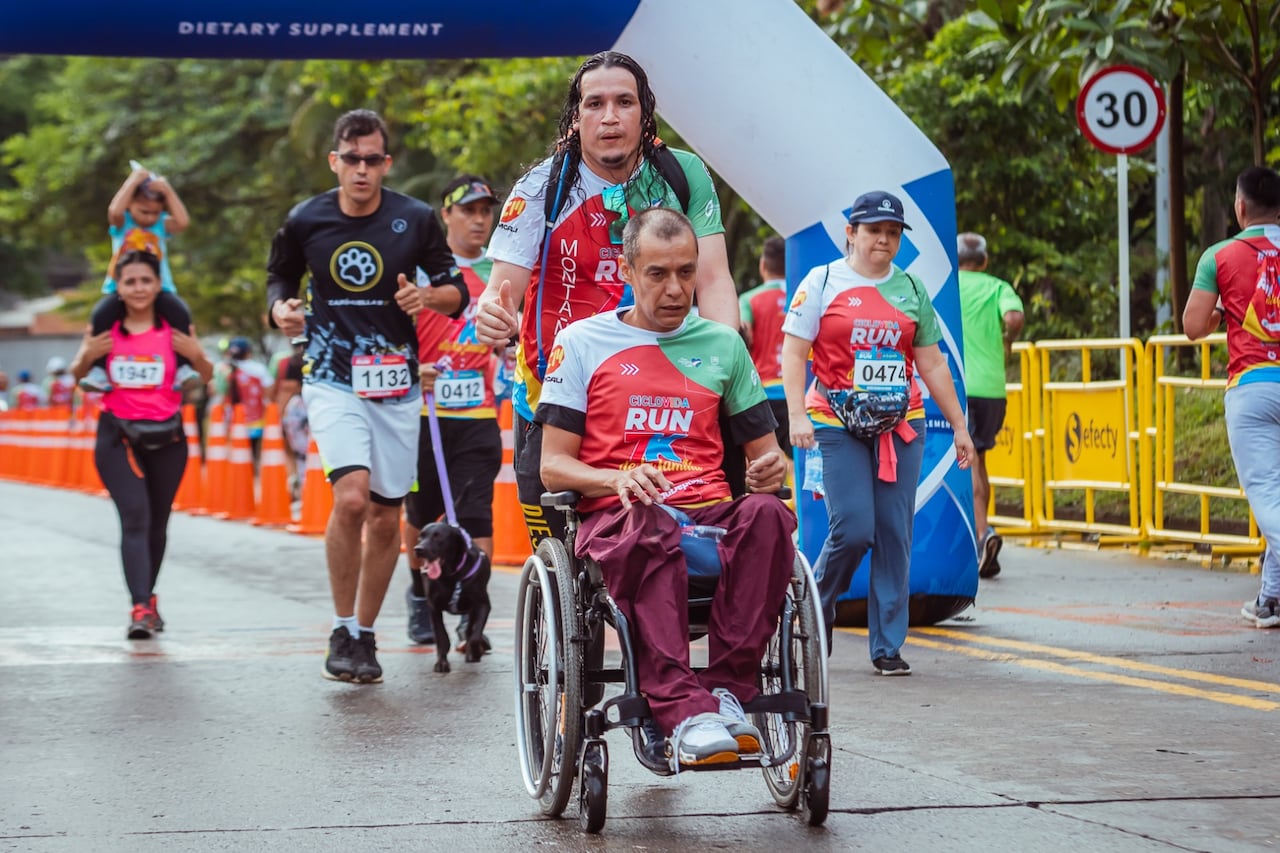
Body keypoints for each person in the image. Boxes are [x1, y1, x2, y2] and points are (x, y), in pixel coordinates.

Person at [538, 207, 795, 767]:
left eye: (686, 272)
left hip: (705, 514)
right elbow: (552, 467)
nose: (675, 289)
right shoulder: (582, 342)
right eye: (658, 273)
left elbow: (766, 456)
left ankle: (727, 692)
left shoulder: (724, 346)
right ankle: (681, 709)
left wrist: (769, 471)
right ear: (628, 270)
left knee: (771, 516)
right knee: (650, 523)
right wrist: (618, 478)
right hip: (619, 517)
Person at [475, 50, 741, 549]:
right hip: (558, 399)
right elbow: (499, 290)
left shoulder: (683, 176)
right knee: (563, 563)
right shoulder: (541, 188)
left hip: (666, 398)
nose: (611, 116)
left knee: (698, 550)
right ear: (577, 119)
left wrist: (725, 364)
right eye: (595, 104)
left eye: (625, 101)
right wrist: (492, 314)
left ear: (645, 112)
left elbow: (714, 279)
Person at [266, 109, 467, 684]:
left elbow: (454, 291)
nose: (361, 170)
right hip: (331, 376)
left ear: (386, 163)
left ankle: (364, 635)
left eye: (372, 160)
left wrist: (427, 300)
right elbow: (279, 279)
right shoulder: (307, 220)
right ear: (335, 161)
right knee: (351, 500)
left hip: (397, 385)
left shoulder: (415, 218)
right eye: (351, 159)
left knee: (385, 517)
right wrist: (280, 308)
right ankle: (338, 626)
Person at [781, 190, 975, 676]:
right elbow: (792, 353)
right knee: (854, 529)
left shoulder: (911, 288)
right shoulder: (822, 281)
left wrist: (959, 426)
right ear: (851, 233)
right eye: (873, 231)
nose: (883, 241)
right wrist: (796, 416)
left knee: (894, 533)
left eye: (892, 233)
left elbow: (930, 362)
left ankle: (887, 646)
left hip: (899, 423)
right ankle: (813, 613)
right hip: (834, 421)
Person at [67, 250, 214, 638]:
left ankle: (148, 598)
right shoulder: (105, 329)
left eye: (145, 280)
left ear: (158, 284)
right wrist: (87, 355)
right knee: (134, 516)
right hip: (118, 436)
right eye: (130, 281)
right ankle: (139, 608)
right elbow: (78, 374)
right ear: (117, 285)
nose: (138, 289)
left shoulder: (174, 328)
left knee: (158, 522)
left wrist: (197, 354)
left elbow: (206, 373)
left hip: (168, 436)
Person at [402, 174, 503, 646]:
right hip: (423, 414)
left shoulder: (500, 272)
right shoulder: (421, 273)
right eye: (468, 210)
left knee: (477, 512)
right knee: (421, 514)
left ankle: (471, 610)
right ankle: (422, 597)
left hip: (479, 415)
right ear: (446, 215)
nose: (479, 219)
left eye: (485, 211)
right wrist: (410, 368)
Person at [1184, 165, 1280, 630]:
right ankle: (1271, 599)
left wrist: (1223, 312)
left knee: (1266, 492)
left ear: (1240, 207)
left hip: (1254, 384)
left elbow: (1192, 327)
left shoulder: (1219, 256)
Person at [80, 164, 198, 394]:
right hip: (120, 287)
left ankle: (183, 368)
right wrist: (133, 181)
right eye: (144, 211)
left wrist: (167, 189)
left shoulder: (160, 226)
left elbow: (183, 222)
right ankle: (98, 370)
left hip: (159, 286)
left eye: (155, 212)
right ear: (131, 206)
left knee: (180, 314)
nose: (150, 217)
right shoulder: (123, 223)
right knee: (101, 317)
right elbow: (114, 211)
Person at [957, 231, 1024, 578]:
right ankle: (984, 530)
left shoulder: (948, 285)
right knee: (980, 457)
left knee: (969, 459)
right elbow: (1013, 318)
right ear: (984, 260)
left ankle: (981, 534)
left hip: (959, 386)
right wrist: (1006, 339)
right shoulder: (997, 287)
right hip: (993, 389)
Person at [739, 235, 793, 476]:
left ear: (763, 266)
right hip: (797, 393)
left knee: (764, 464)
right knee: (798, 461)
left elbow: (741, 338)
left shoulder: (749, 299)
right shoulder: (804, 295)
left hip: (763, 394)